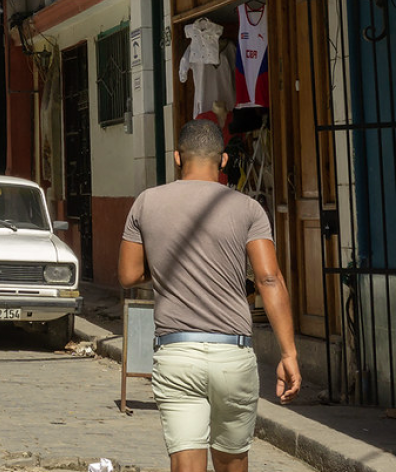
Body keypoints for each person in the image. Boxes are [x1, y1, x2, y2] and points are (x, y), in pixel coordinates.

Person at [119, 119, 301, 472]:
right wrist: (289, 353)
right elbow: (269, 278)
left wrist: (165, 266)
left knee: (186, 463)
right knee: (233, 461)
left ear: (176, 158)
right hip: (232, 355)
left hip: (176, 353)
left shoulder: (146, 202)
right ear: (222, 162)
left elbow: (128, 275)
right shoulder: (248, 209)